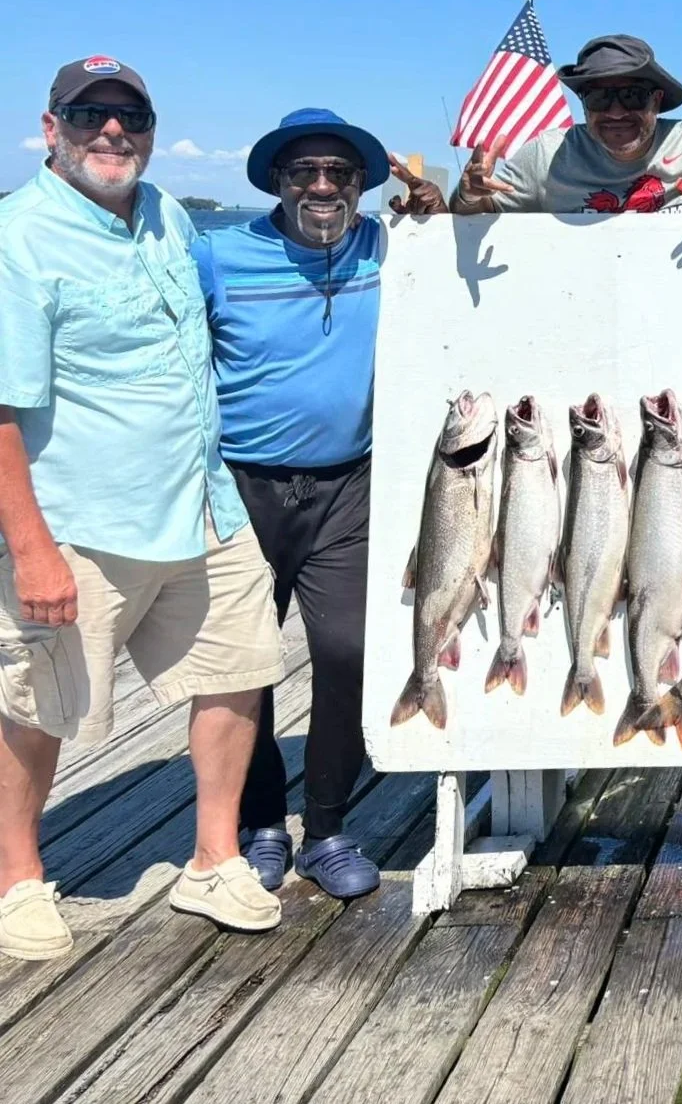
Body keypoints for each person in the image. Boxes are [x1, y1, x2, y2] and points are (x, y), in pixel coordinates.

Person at [0, 57, 286, 959]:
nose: (113, 132)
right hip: (80, 521)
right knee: (40, 703)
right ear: (53, 129)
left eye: (132, 117)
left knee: (240, 666)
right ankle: (15, 878)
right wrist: (32, 549)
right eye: (91, 114)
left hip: (202, 502)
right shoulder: (19, 237)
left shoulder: (166, 213)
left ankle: (212, 857)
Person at [194, 109, 389, 901]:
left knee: (348, 651)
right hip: (244, 486)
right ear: (276, 179)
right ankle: (264, 822)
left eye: (338, 174)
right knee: (247, 662)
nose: (321, 185)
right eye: (303, 171)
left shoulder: (386, 246)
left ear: (358, 187)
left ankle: (329, 825)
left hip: (349, 484)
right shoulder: (217, 254)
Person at [395, 35, 682, 216]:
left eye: (631, 95)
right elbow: (475, 213)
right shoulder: (549, 154)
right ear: (583, 104)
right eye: (600, 98)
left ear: (656, 100)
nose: (616, 111)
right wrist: (468, 193)